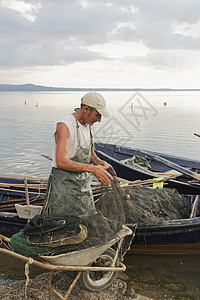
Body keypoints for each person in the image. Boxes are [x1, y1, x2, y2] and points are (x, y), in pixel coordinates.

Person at [43, 92, 113, 218]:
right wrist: (93, 169)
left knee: (89, 223)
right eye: (97, 115)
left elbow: (90, 153)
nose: (99, 120)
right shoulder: (65, 125)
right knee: (63, 228)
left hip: (82, 187)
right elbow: (61, 161)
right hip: (63, 189)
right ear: (86, 109)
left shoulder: (89, 125)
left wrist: (99, 162)